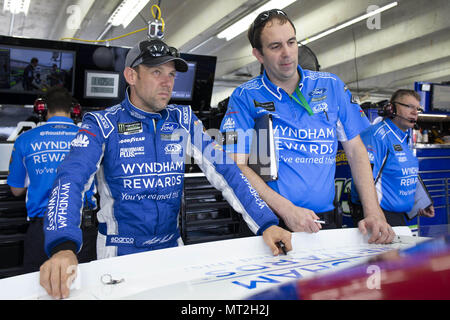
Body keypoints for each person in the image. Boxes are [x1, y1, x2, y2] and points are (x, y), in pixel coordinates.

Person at [39, 39, 292, 299]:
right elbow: (70, 180)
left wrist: (266, 223)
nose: (167, 82)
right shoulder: (102, 124)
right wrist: (62, 246)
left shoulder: (182, 119)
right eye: (156, 72)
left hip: (171, 249)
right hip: (119, 254)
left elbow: (226, 170)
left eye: (171, 74)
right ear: (131, 75)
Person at [219, 9, 395, 241]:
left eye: (291, 42)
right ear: (258, 55)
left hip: (324, 220)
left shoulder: (331, 87)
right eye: (275, 46)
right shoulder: (244, 96)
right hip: (269, 222)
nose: (287, 53)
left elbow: (356, 150)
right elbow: (236, 165)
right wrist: (286, 209)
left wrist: (373, 211)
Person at [7, 86, 86, 273]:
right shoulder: (88, 138)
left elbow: (16, 190)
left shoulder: (25, 139)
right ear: (73, 110)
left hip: (42, 228)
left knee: (36, 289)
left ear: (43, 110)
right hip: (80, 226)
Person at [350, 89, 435, 226]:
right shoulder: (376, 136)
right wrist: (373, 214)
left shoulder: (403, 137)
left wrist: (420, 203)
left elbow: (405, 175)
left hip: (398, 216)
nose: (415, 112)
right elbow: (363, 179)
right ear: (391, 108)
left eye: (417, 109)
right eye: (409, 106)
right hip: (380, 216)